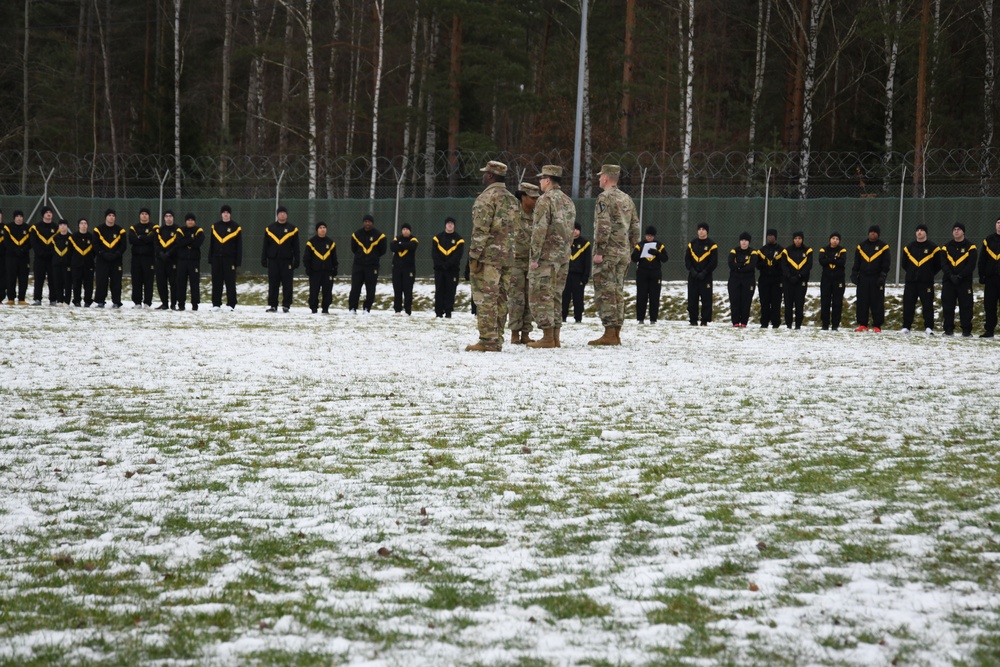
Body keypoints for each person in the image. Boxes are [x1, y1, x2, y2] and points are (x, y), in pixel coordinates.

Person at [467, 160, 518, 352]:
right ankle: (497, 338)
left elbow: (481, 229)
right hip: (507, 256)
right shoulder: (512, 199)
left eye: (485, 173)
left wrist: (474, 255)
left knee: (486, 298)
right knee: (501, 298)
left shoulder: (486, 198)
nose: (483, 176)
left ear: (490, 175)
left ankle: (488, 340)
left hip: (488, 257)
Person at [590, 165, 639, 345]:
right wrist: (629, 249)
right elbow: (635, 227)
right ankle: (616, 331)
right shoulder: (627, 199)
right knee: (617, 290)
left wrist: (599, 251)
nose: (599, 179)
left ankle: (610, 332)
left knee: (606, 290)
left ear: (606, 178)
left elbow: (603, 226)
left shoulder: (605, 198)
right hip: (623, 252)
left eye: (600, 175)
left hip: (608, 252)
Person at [527, 164, 575, 349]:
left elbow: (539, 230)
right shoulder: (568, 201)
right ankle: (555, 337)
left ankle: (547, 337)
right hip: (563, 257)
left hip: (546, 257)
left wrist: (534, 257)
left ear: (548, 180)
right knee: (556, 296)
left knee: (541, 296)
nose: (539, 182)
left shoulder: (545, 200)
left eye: (541, 179)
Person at [509, 183, 539, 344]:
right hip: (515, 262)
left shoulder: (538, 216)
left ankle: (526, 332)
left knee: (530, 298)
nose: (535, 200)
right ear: (523, 197)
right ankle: (514, 332)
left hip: (532, 262)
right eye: (532, 197)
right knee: (516, 299)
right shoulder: (513, 214)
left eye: (536, 197)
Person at [901, 224, 940, 334]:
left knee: (927, 305)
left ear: (926, 233)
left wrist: (928, 274)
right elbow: (904, 264)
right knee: (908, 304)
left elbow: (937, 265)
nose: (919, 232)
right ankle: (906, 327)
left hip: (926, 283)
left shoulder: (934, 248)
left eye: (922, 230)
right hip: (911, 282)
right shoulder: (908, 248)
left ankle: (928, 327)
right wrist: (912, 273)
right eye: (917, 230)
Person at [851, 224, 891, 332]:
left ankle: (877, 325)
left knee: (877, 302)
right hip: (863, 278)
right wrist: (854, 274)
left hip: (876, 278)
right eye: (871, 232)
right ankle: (863, 324)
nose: (872, 234)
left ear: (878, 234)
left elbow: (886, 263)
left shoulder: (883, 246)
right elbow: (857, 262)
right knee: (862, 301)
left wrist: (883, 276)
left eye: (875, 232)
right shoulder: (861, 246)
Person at [940, 222, 977, 337]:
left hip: (964, 282)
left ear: (963, 232)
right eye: (954, 229)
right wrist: (951, 276)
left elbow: (971, 265)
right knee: (948, 305)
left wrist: (960, 276)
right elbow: (943, 264)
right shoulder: (946, 247)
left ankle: (966, 330)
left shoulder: (971, 247)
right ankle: (948, 329)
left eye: (959, 229)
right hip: (949, 281)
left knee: (966, 306)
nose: (956, 231)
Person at [261, 206, 299, 312]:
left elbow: (296, 246)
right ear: (277, 214)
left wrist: (297, 260)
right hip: (273, 260)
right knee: (273, 283)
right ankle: (273, 305)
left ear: (287, 215)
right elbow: (265, 245)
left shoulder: (293, 229)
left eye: (284, 213)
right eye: (280, 212)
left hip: (287, 261)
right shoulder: (270, 229)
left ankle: (286, 305)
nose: (282, 214)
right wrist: (264, 259)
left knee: (287, 284)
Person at [347, 214, 386, 313]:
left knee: (370, 288)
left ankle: (367, 308)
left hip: (372, 266)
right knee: (355, 287)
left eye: (369, 221)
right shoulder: (356, 235)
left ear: (372, 223)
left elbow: (382, 250)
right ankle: (352, 308)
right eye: (365, 221)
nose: (367, 223)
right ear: (363, 222)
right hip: (358, 265)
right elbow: (354, 249)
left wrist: (373, 257)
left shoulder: (379, 236)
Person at [209, 204, 243, 311]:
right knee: (216, 281)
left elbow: (239, 246)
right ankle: (216, 304)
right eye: (224, 212)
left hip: (230, 259)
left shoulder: (236, 227)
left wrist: (237, 261)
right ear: (221, 214)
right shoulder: (215, 226)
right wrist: (211, 258)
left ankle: (231, 304)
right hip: (217, 259)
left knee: (230, 282)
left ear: (230, 214)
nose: (226, 214)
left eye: (227, 212)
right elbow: (212, 244)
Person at [684, 222, 718, 326]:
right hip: (693, 276)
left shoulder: (712, 245)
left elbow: (714, 262)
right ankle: (693, 320)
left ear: (707, 231)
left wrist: (704, 272)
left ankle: (704, 320)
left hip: (705, 277)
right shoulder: (692, 244)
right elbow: (687, 260)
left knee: (706, 299)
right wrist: (693, 271)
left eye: (703, 229)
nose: (701, 231)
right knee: (692, 298)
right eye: (699, 229)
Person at [633, 225, 668, 324]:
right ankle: (640, 318)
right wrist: (641, 254)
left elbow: (665, 258)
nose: (649, 237)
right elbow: (634, 258)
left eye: (651, 236)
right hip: (642, 273)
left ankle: (653, 319)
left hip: (655, 273)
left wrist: (657, 253)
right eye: (648, 235)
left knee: (654, 296)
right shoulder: (640, 245)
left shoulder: (659, 245)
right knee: (641, 296)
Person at [93, 208, 127, 309]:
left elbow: (123, 246)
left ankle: (116, 302)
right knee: (101, 281)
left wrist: (116, 254)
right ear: (106, 217)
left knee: (116, 282)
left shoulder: (121, 231)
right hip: (102, 260)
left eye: (113, 216)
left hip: (116, 261)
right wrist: (103, 253)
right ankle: (100, 301)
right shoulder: (98, 230)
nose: (111, 217)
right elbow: (95, 244)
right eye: (109, 215)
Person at [431, 217, 463, 317]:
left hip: (452, 270)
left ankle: (448, 312)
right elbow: (434, 254)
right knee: (439, 290)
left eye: (452, 223)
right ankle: (438, 312)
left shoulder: (459, 239)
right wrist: (441, 265)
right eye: (448, 223)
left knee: (450, 291)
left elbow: (457, 256)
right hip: (439, 270)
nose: (450, 225)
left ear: (454, 225)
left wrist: (448, 264)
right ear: (445, 224)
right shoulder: (437, 238)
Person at [304, 221, 338, 314]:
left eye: (324, 227)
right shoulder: (311, 242)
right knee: (314, 291)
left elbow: (334, 257)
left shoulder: (331, 243)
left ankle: (325, 308)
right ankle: (314, 308)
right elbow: (307, 257)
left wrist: (335, 268)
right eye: (320, 228)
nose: (322, 229)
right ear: (317, 230)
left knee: (327, 291)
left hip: (327, 272)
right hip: (315, 271)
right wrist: (308, 268)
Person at [780, 231, 812, 329]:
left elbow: (808, 265)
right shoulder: (786, 251)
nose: (797, 240)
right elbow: (784, 265)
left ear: (802, 239)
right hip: (788, 281)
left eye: (799, 238)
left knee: (799, 304)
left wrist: (799, 276)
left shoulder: (808, 250)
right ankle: (788, 325)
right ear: (793, 239)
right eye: (796, 238)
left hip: (801, 281)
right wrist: (789, 276)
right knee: (788, 304)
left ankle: (798, 325)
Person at [563, 222, 592, 324]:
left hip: (578, 276)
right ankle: (563, 317)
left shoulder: (585, 244)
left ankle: (578, 318)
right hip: (566, 275)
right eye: (573, 229)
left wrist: (585, 276)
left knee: (578, 298)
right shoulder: (565, 242)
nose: (575, 231)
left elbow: (587, 262)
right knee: (564, 296)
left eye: (577, 229)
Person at [127, 207, 157, 308]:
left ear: (149, 216)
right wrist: (145, 239)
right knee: (136, 280)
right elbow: (132, 239)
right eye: (142, 213)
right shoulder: (133, 227)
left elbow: (153, 238)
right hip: (136, 258)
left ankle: (147, 303)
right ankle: (137, 302)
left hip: (149, 258)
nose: (144, 215)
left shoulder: (154, 227)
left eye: (146, 214)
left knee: (148, 281)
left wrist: (141, 237)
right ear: (139, 215)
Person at [818, 232, 848, 330]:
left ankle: (835, 325)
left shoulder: (842, 250)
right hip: (826, 279)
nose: (835, 240)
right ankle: (825, 324)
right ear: (830, 239)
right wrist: (834, 259)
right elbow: (822, 261)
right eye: (833, 238)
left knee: (837, 302)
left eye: (837, 239)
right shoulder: (823, 249)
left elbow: (842, 262)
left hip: (838, 279)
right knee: (825, 302)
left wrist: (829, 259)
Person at [175, 213, 204, 311]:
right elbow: (179, 242)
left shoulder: (199, 230)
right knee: (181, 283)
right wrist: (191, 239)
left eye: (192, 220)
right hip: (182, 261)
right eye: (188, 220)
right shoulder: (180, 230)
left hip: (194, 261)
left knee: (194, 283)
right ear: (185, 221)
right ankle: (181, 304)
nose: (190, 222)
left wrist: (186, 241)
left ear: (194, 221)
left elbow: (197, 243)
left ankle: (195, 305)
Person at [727, 232, 757, 328]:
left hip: (748, 280)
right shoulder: (734, 251)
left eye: (746, 240)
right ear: (740, 241)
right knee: (735, 301)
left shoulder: (753, 252)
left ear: (749, 242)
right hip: (734, 280)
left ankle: (744, 322)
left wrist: (739, 267)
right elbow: (731, 264)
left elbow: (751, 266)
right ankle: (735, 322)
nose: (744, 242)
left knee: (746, 301)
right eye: (742, 240)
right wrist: (742, 266)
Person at [29, 205, 58, 305]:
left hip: (51, 258)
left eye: (50, 212)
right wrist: (40, 252)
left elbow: (58, 243)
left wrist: (51, 253)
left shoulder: (56, 228)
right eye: (47, 212)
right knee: (39, 279)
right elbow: (33, 242)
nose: (49, 214)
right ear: (43, 215)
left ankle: (53, 299)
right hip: (39, 258)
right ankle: (37, 299)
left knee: (53, 278)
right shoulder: (35, 227)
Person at [755, 229, 783, 328]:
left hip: (777, 280)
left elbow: (784, 265)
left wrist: (777, 264)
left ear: (775, 237)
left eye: (772, 236)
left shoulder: (781, 250)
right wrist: (763, 264)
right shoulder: (762, 250)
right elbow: (757, 265)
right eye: (768, 235)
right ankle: (764, 322)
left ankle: (776, 323)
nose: (770, 237)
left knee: (776, 302)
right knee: (764, 302)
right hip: (764, 279)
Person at [977, 216, 1000, 338]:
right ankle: (989, 330)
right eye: (998, 222)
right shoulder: (988, 240)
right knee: (989, 306)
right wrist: (982, 275)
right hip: (991, 279)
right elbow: (982, 260)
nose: (999, 224)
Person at [390, 223, 419, 315]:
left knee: (408, 290)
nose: (405, 231)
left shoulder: (413, 239)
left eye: (407, 229)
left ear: (410, 231)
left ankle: (407, 310)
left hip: (409, 269)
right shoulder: (397, 238)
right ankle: (397, 310)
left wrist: (401, 244)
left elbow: (412, 246)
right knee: (397, 289)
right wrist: (403, 244)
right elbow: (392, 247)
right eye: (403, 229)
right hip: (397, 268)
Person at [154, 210, 180, 310]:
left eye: (170, 216)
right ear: (164, 218)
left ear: (173, 218)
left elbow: (177, 244)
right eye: (166, 216)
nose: (168, 218)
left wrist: (169, 253)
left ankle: (173, 303)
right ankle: (164, 303)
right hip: (161, 261)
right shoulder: (159, 230)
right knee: (161, 283)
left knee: (173, 283)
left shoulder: (178, 230)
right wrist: (160, 253)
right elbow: (156, 244)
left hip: (172, 260)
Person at [4, 210, 30, 305]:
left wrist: (23, 250)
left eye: (21, 216)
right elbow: (6, 242)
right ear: (14, 217)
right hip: (11, 257)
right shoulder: (8, 227)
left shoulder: (27, 228)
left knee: (23, 278)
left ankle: (21, 298)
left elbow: (30, 242)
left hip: (24, 257)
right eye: (17, 216)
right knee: (11, 277)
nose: (19, 218)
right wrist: (15, 250)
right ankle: (11, 298)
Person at [70, 218, 95, 307]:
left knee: (88, 284)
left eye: (85, 223)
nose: (83, 225)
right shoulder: (73, 237)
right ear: (79, 225)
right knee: (76, 284)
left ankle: (88, 301)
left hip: (89, 265)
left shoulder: (92, 237)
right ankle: (77, 301)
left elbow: (94, 251)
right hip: (76, 265)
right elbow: (70, 251)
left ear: (87, 225)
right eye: (81, 223)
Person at [51, 220, 73, 305]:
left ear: (67, 226)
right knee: (57, 282)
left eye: (64, 225)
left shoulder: (71, 238)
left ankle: (67, 301)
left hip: (67, 264)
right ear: (59, 227)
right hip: (56, 264)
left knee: (67, 283)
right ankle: (59, 300)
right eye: (61, 225)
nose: (63, 226)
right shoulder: (54, 238)